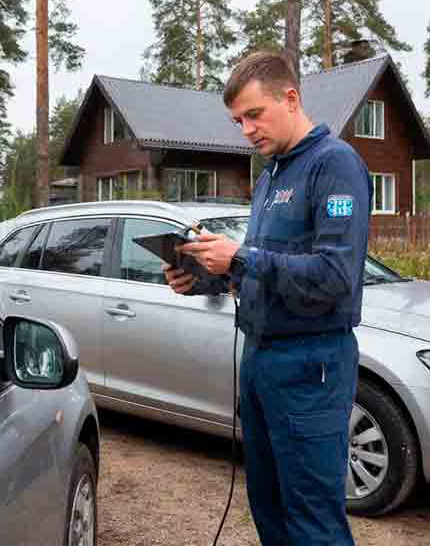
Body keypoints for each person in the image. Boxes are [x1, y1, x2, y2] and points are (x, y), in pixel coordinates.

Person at [165, 50, 371, 545]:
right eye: (238, 121)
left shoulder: (334, 164)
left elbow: (336, 274)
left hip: (310, 363)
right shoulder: (270, 176)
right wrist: (208, 277)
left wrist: (240, 259)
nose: (247, 130)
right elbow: (263, 270)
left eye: (254, 114)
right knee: (269, 507)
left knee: (312, 520)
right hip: (260, 360)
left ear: (291, 98)